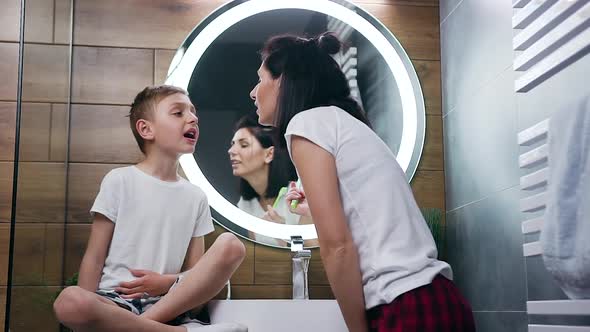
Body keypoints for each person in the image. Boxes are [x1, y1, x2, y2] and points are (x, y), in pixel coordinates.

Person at [250, 32, 476, 332]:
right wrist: (316, 209)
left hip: (405, 305)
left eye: (261, 79)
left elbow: (338, 247)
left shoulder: (306, 124)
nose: (253, 92)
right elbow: (364, 215)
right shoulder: (343, 122)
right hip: (437, 299)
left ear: (283, 80)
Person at [53, 85, 247, 332]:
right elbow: (94, 257)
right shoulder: (119, 180)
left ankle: (144, 326)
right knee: (70, 301)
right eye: (178, 113)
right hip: (117, 302)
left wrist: (167, 283)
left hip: (169, 305)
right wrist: (88, 313)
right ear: (146, 129)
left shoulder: (196, 197)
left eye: (193, 112)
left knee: (231, 245)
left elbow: (195, 274)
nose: (193, 118)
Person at [228, 114, 312, 246]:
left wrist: (282, 234)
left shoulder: (299, 196)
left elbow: (314, 256)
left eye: (244, 145)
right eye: (232, 145)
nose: (231, 151)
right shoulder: (246, 205)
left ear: (269, 154)